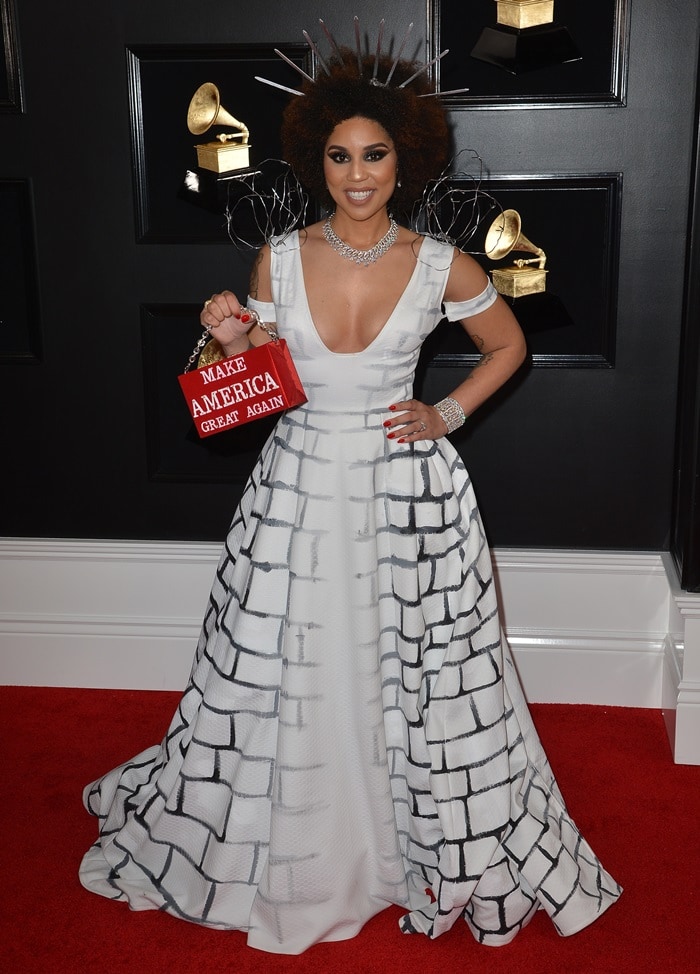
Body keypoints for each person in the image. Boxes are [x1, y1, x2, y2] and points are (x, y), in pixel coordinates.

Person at [79, 34, 621, 955]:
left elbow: (509, 348)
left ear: (403, 158)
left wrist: (445, 413)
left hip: (408, 497)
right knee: (286, 661)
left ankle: (405, 838)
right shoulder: (277, 260)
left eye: (374, 155)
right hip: (294, 488)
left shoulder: (445, 262)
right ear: (315, 160)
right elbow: (263, 387)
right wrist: (227, 338)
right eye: (339, 156)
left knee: (415, 673)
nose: (357, 175)